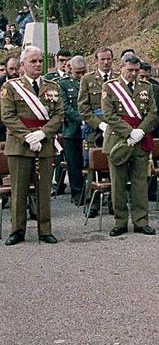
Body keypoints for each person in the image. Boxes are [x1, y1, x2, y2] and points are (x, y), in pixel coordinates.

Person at [2, 46, 63, 245]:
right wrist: (28, 137)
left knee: (44, 189)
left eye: (40, 61)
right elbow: (7, 116)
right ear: (22, 65)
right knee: (18, 190)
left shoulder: (52, 86)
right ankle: (17, 230)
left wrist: (42, 133)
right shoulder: (10, 87)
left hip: (44, 144)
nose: (38, 65)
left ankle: (45, 229)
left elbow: (59, 115)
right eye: (33, 61)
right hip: (20, 146)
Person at [102, 54, 158, 237]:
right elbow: (109, 115)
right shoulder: (110, 87)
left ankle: (141, 221)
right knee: (118, 184)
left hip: (140, 141)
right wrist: (129, 132)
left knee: (140, 183)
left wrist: (140, 131)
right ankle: (120, 222)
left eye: (136, 71)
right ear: (122, 68)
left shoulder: (146, 87)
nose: (133, 74)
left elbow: (153, 113)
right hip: (118, 141)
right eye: (130, 70)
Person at [78, 47, 114, 217]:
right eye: (102, 59)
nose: (106, 62)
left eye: (108, 59)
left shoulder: (117, 79)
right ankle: (91, 203)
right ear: (96, 61)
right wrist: (100, 125)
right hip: (95, 130)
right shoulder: (87, 79)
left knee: (115, 164)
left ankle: (114, 202)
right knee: (94, 166)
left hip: (115, 129)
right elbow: (83, 109)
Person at [59, 56, 87, 205]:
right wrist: (82, 119)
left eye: (84, 72)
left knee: (89, 162)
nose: (81, 76)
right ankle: (77, 194)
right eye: (78, 73)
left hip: (89, 131)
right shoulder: (63, 84)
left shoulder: (91, 82)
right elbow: (64, 107)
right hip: (72, 130)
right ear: (70, 70)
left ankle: (89, 192)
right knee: (74, 165)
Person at [46, 50, 71, 196]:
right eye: (61, 60)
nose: (64, 63)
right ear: (56, 60)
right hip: (57, 121)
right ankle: (58, 183)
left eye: (67, 60)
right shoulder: (50, 79)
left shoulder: (74, 77)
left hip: (71, 122)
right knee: (57, 153)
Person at [139, 61, 159, 202]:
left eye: (147, 77)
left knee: (151, 161)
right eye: (142, 77)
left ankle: (151, 191)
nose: (145, 80)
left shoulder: (155, 88)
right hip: (134, 130)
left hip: (151, 130)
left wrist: (150, 126)